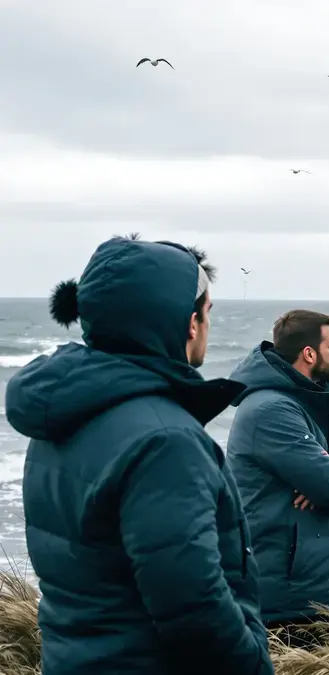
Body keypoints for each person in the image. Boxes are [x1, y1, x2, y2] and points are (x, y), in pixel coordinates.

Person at [4, 235, 273, 674]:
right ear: (188, 323)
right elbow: (195, 607)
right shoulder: (166, 441)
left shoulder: (64, 415)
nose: (208, 324)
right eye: (206, 311)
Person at [225, 309, 329, 647]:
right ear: (309, 354)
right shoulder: (271, 411)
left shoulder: (306, 404)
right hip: (285, 603)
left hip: (313, 592)